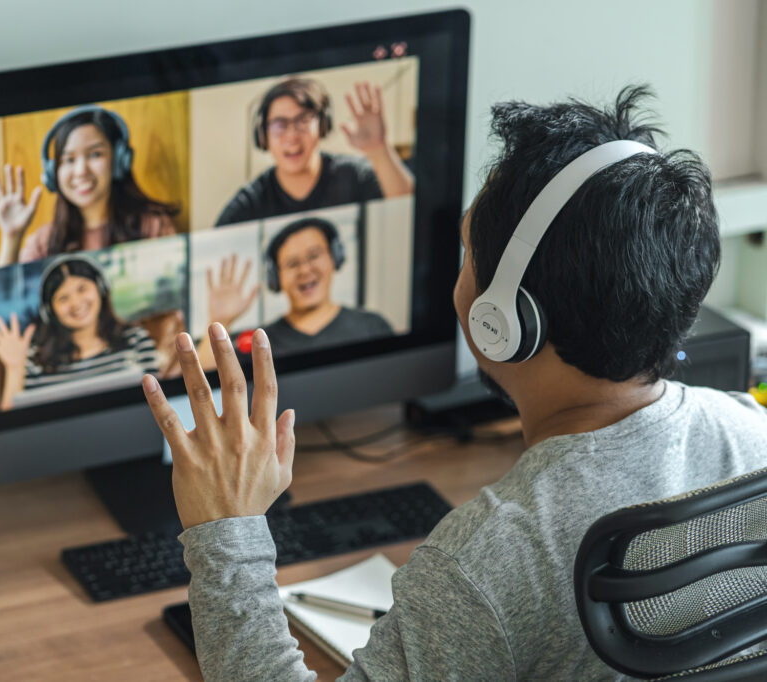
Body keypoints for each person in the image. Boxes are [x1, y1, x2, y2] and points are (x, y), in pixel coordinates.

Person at [138, 85, 767, 680]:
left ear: (506, 322)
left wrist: (229, 526)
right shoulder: (754, 434)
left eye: (467, 252)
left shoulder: (490, 560)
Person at [0, 106, 177, 267]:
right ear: (53, 173)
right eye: (69, 159)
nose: (81, 170)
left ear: (118, 161)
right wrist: (12, 238)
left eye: (95, 154)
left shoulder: (154, 227)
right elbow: (9, 307)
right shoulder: (43, 243)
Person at [196, 216, 393, 369]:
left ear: (335, 258)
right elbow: (205, 386)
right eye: (292, 264)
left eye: (314, 255)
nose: (305, 270)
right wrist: (220, 321)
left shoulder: (372, 326)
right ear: (276, 278)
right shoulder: (259, 342)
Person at [214, 78, 414, 227]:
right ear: (263, 135)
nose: (292, 136)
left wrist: (379, 150)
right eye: (279, 125)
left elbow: (411, 209)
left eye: (303, 121)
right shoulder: (251, 202)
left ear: (323, 125)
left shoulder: (353, 174)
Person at [0, 254, 159, 410]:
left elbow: (160, 403)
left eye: (82, 289)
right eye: (63, 298)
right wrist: (15, 367)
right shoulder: (35, 359)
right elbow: (12, 425)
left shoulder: (135, 339)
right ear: (50, 311)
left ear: (101, 289)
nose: (76, 303)